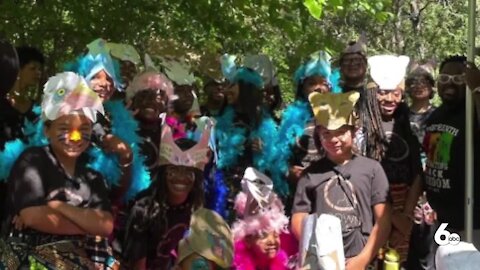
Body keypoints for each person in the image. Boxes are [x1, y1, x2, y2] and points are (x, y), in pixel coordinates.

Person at [0, 72, 117, 269]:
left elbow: (105, 225)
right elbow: (32, 217)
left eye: (84, 129)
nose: (75, 136)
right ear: (47, 130)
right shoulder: (33, 160)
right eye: (64, 128)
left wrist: (57, 206)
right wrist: (87, 226)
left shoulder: (92, 175)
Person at [291, 91, 391, 270]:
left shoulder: (372, 169)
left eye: (341, 132)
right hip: (321, 260)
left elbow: (383, 219)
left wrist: (363, 258)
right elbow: (299, 218)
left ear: (354, 132)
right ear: (319, 135)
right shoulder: (310, 175)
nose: (333, 139)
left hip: (361, 258)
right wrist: (317, 250)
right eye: (326, 134)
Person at [122, 120, 211, 269]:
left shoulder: (196, 208)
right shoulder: (144, 210)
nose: (180, 177)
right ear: (163, 174)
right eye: (173, 170)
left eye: (188, 172)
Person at [369, 54, 423, 264]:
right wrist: (391, 216)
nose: (390, 99)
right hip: (371, 205)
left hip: (403, 203)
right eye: (383, 93)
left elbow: (417, 172)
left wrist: (406, 217)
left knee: (395, 262)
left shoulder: (407, 125)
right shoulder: (362, 125)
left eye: (396, 93)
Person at [232, 167, 297, 269]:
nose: (271, 241)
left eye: (275, 235)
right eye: (263, 236)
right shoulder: (238, 266)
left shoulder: (286, 265)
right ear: (248, 241)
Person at [339, 37, 386, 161]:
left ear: (365, 65)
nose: (352, 64)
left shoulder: (377, 94)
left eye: (357, 60)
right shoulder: (333, 94)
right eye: (347, 61)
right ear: (340, 67)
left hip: (372, 160)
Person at [406, 62, 437, 145]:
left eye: (423, 82)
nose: (418, 86)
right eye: (413, 82)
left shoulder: (439, 114)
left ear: (432, 87)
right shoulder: (401, 115)